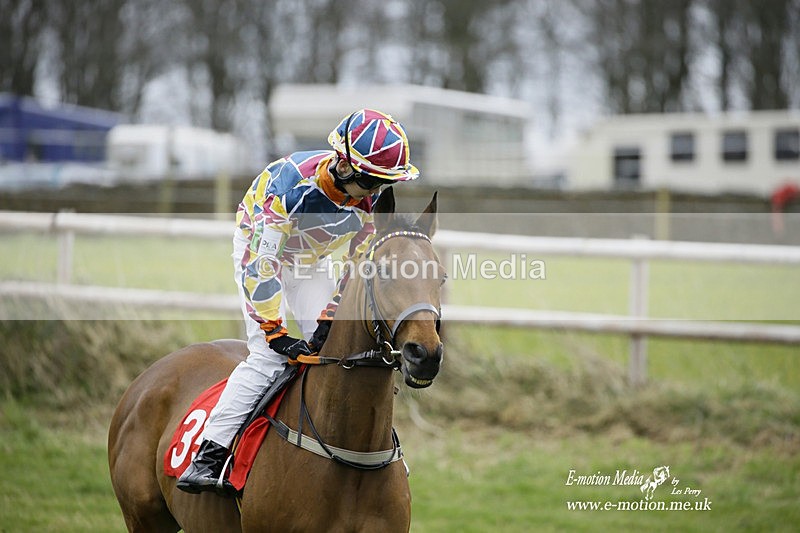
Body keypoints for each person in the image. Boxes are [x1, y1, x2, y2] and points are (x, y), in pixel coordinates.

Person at [177, 109, 420, 495]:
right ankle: (210, 452)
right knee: (267, 357)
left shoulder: (367, 201)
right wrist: (275, 332)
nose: (375, 192)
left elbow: (355, 262)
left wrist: (328, 317)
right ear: (345, 165)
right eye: (372, 181)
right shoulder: (289, 189)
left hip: (311, 260)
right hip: (260, 252)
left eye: (384, 183)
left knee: (337, 346)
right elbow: (263, 264)